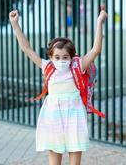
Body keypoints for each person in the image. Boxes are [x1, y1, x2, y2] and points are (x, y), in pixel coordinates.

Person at [9, 9, 108, 165]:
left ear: (72, 57)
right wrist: (15, 25)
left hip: (74, 114)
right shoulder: (47, 66)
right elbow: (26, 48)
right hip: (53, 114)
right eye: (57, 57)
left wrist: (99, 22)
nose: (61, 60)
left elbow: (96, 50)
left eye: (65, 57)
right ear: (50, 56)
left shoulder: (78, 66)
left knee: (75, 152)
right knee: (54, 156)